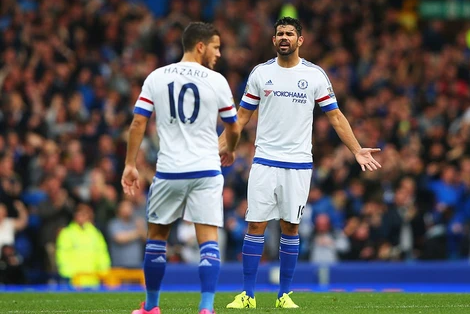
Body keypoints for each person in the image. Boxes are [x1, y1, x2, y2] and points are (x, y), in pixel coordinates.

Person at [221, 17, 382, 309]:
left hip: (298, 164)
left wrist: (357, 149)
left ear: (300, 40)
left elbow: (335, 116)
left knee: (290, 227)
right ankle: (248, 295)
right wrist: (217, 148)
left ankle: (284, 295)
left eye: (290, 34)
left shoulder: (316, 75)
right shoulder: (261, 73)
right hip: (265, 161)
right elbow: (241, 117)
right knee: (255, 224)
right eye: (280, 33)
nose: (284, 38)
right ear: (274, 40)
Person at [122, 22, 241, 314]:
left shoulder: (157, 77)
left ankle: (151, 307)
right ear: (200, 46)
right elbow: (234, 127)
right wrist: (230, 148)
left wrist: (130, 164)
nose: (219, 53)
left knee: (157, 238)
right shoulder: (217, 81)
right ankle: (206, 307)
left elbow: (139, 122)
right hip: (207, 170)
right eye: (216, 46)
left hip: (169, 170)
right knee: (208, 241)